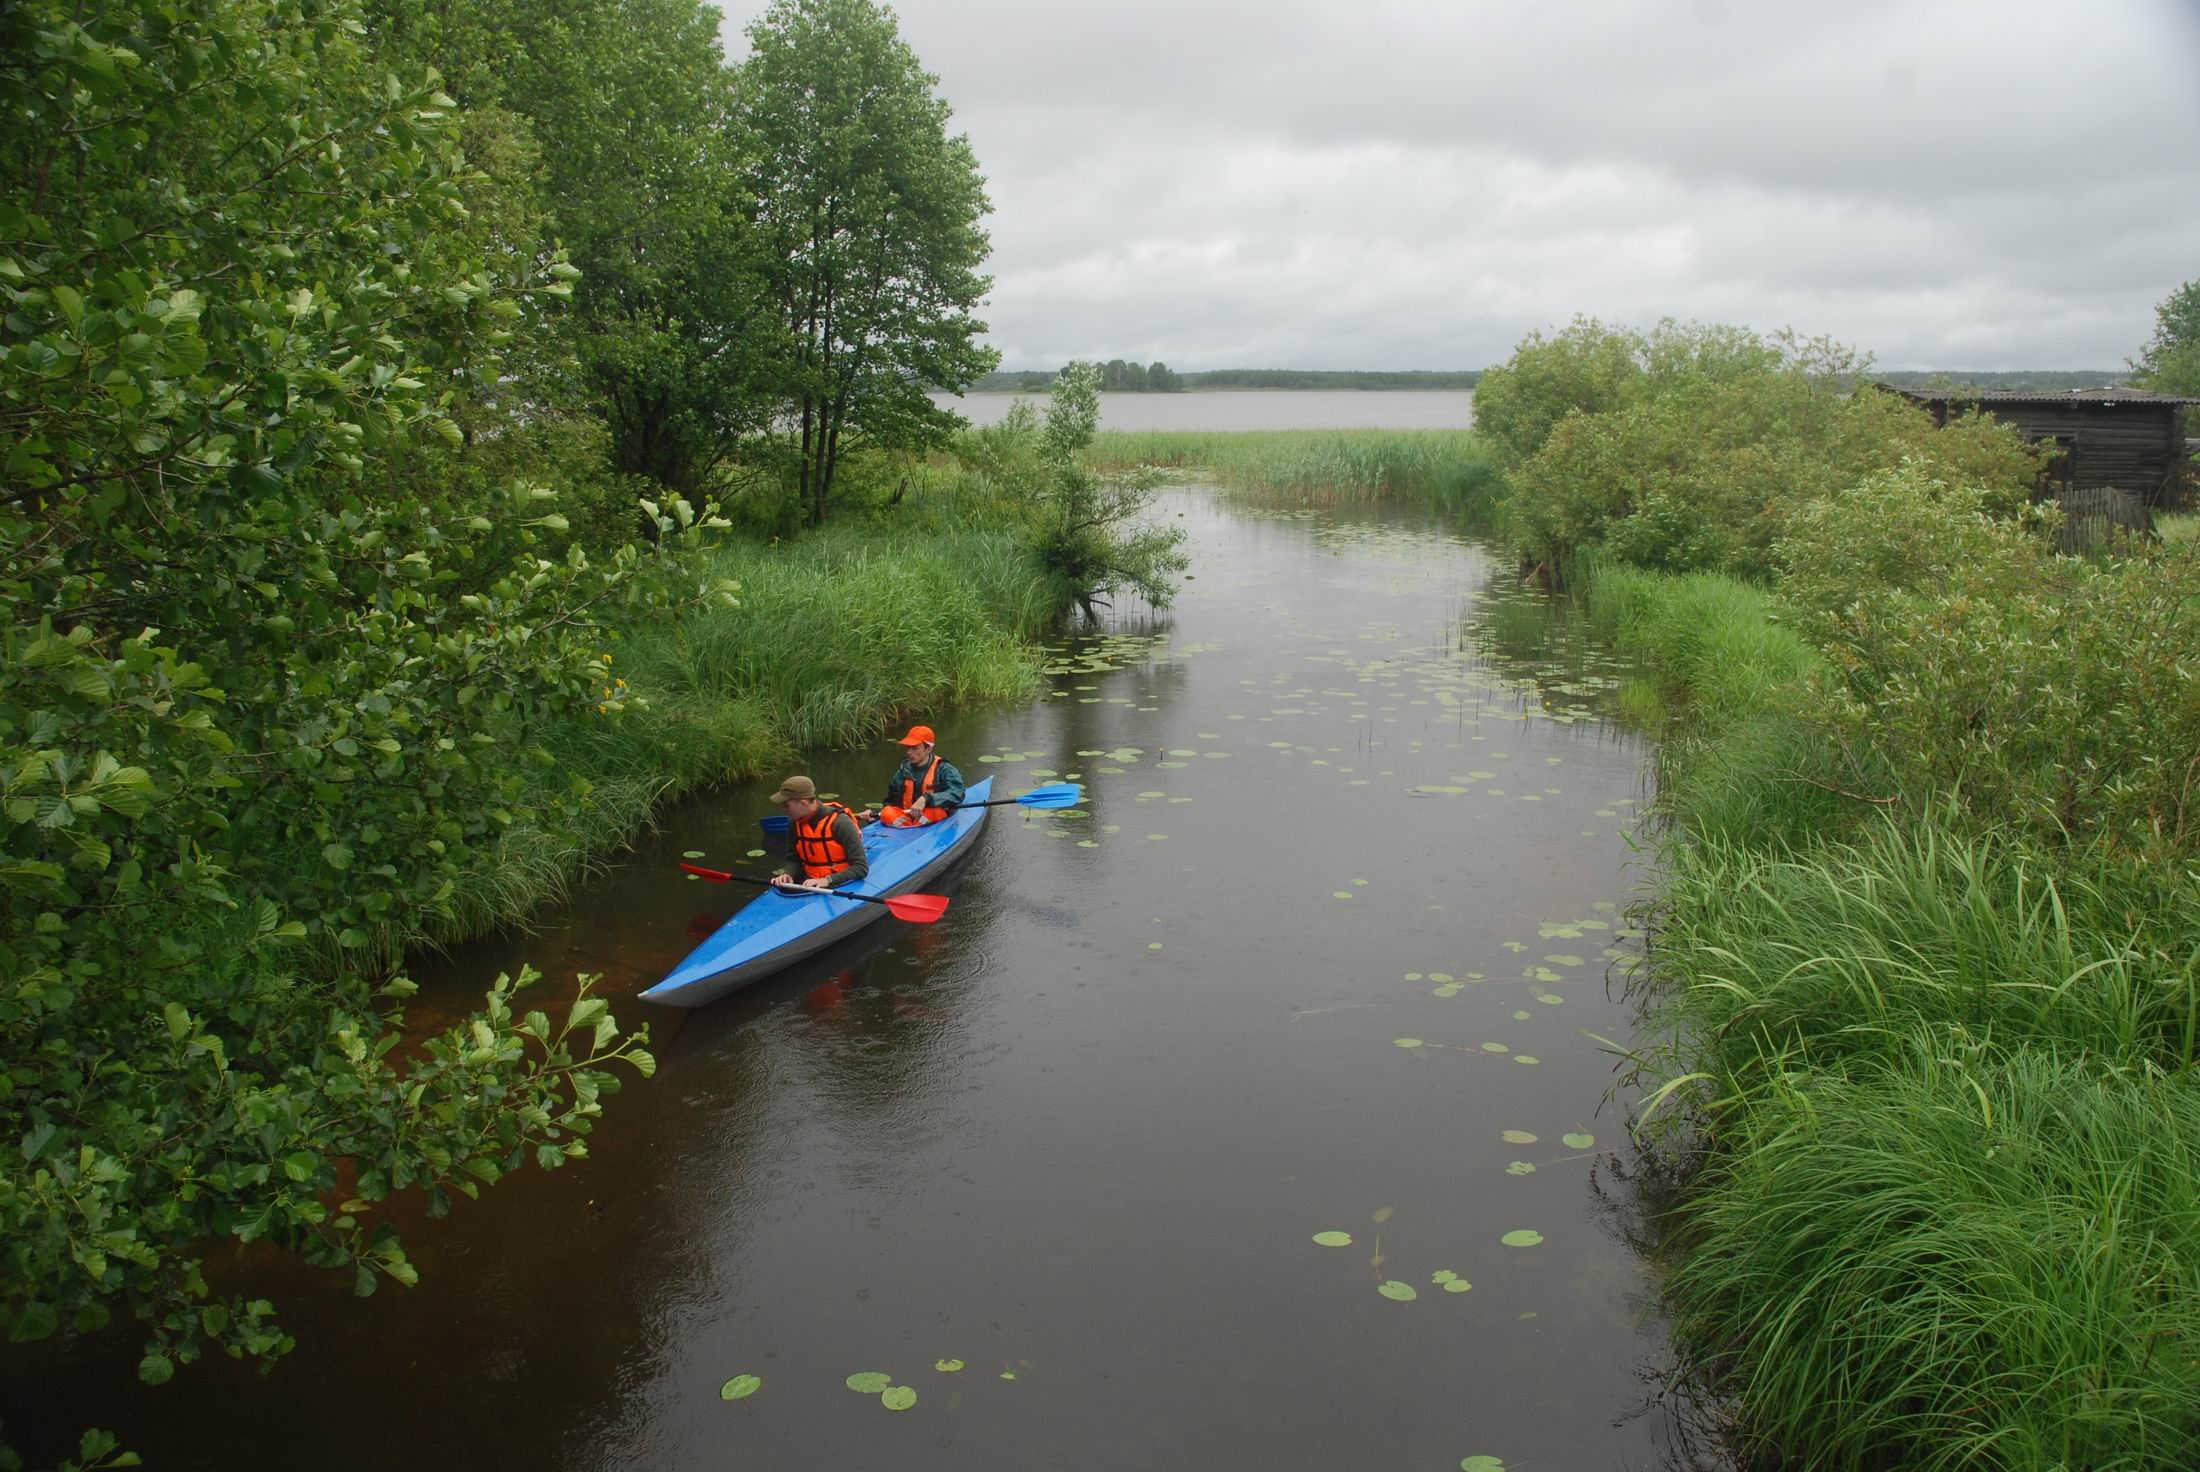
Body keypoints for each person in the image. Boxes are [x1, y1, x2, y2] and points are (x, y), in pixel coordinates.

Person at [768, 775, 870, 891]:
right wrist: (788, 874)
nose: (784, 809)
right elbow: (793, 858)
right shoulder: (794, 823)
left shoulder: (840, 823)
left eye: (786, 805)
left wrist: (827, 880)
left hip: (840, 882)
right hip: (809, 881)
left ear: (803, 803)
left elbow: (861, 868)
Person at [874, 724, 966, 827]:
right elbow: (891, 802)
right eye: (908, 747)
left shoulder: (944, 769)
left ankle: (918, 830)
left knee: (933, 811)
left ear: (928, 749)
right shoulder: (902, 772)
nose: (909, 752)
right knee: (887, 812)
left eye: (914, 748)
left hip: (932, 818)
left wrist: (926, 799)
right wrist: (875, 815)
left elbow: (957, 792)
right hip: (908, 820)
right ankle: (907, 830)